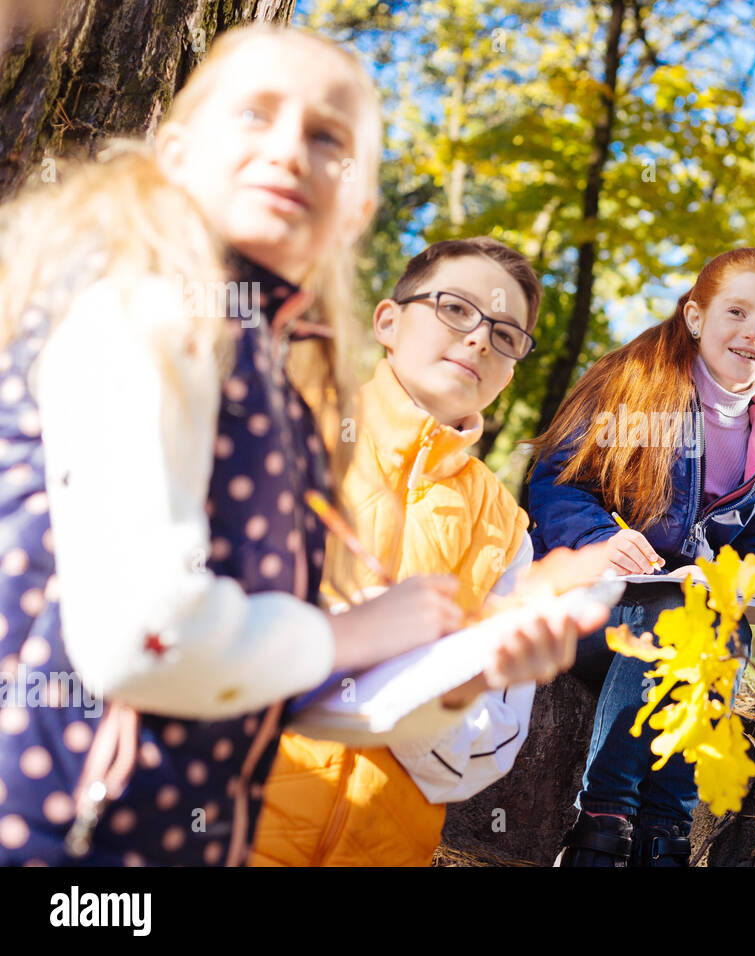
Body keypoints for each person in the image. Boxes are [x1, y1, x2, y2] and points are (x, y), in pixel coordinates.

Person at [0, 25, 590, 867]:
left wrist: (460, 680)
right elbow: (142, 636)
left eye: (327, 139)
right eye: (254, 113)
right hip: (61, 834)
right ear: (175, 148)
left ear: (355, 205)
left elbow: (280, 686)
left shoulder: (269, 384)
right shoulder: (148, 308)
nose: (288, 150)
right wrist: (354, 634)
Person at [249, 237, 591, 866]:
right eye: (456, 308)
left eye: (506, 334)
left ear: (512, 367)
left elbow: (495, 742)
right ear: (388, 319)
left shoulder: (506, 528)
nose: (480, 339)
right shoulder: (289, 428)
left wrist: (439, 696)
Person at [529, 248, 755, 865]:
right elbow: (552, 483)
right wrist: (601, 540)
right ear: (696, 317)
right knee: (670, 615)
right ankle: (602, 824)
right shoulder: (634, 387)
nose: (753, 333)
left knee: (715, 626)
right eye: (737, 311)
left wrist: (735, 583)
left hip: (690, 638)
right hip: (593, 612)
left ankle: (664, 837)